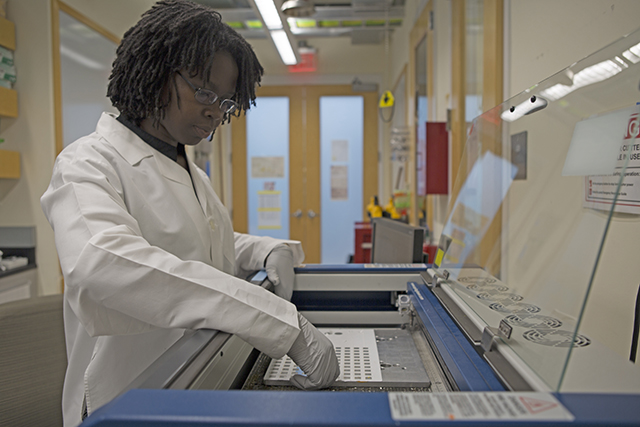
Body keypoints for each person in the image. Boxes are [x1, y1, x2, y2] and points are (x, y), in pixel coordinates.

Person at [40, 1, 339, 425]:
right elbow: (103, 263)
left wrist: (265, 250)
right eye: (203, 92)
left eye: (227, 102)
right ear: (157, 72)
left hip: (197, 376)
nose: (216, 112)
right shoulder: (87, 163)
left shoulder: (187, 167)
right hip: (127, 397)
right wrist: (276, 320)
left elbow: (193, 246)